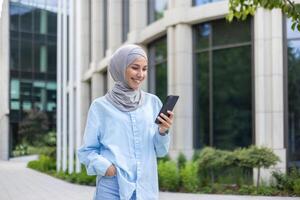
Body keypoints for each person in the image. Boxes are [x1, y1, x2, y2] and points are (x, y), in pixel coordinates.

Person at [77, 44, 174, 200]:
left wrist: (163, 131)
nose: (141, 74)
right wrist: (107, 168)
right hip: (112, 188)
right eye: (135, 68)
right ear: (120, 68)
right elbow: (86, 151)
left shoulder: (153, 103)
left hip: (145, 188)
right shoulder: (100, 107)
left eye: (145, 69)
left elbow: (160, 151)